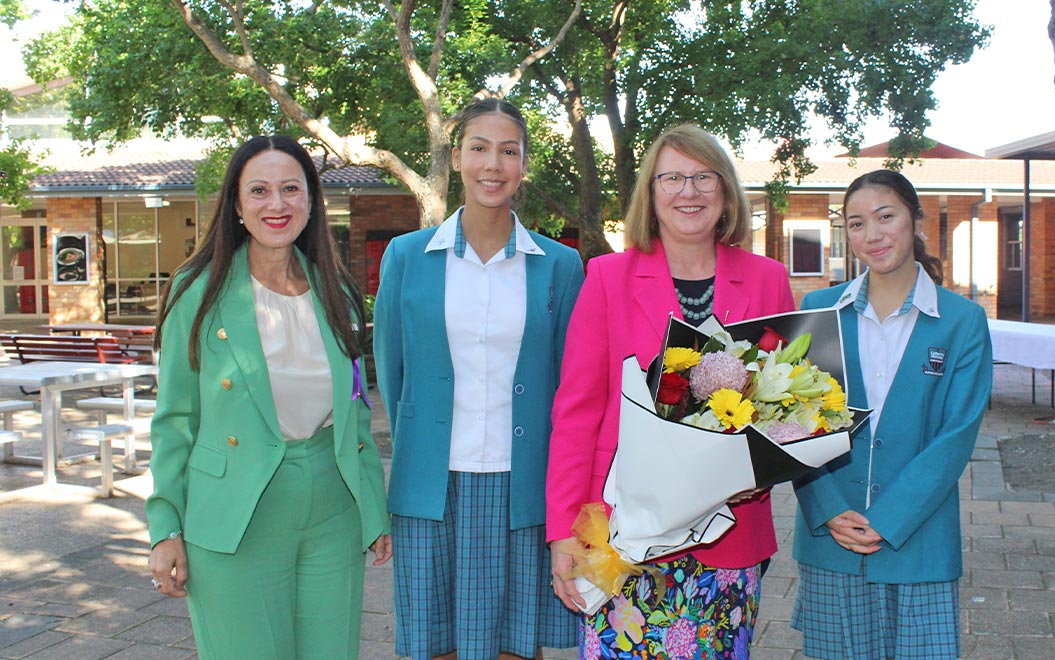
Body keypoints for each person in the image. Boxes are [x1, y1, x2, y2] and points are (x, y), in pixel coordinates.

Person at [546, 124, 794, 657]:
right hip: (624, 534)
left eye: (704, 177)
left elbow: (786, 404)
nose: (689, 191)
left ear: (725, 192)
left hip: (730, 533)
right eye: (674, 178)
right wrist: (564, 531)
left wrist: (764, 470)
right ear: (651, 193)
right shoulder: (607, 277)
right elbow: (576, 412)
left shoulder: (768, 278)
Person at [145, 135, 392, 660]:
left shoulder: (338, 290)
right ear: (236, 204)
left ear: (310, 200)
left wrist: (373, 509)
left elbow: (355, 406)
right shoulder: (198, 290)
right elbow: (175, 420)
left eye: (290, 189)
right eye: (259, 191)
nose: (276, 205)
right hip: (236, 511)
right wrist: (165, 526)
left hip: (332, 508)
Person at [373, 97, 584, 660]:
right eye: (479, 148)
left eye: (508, 151)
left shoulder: (560, 266)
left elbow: (573, 387)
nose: (493, 164)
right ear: (457, 156)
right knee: (434, 643)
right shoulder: (407, 256)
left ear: (523, 165)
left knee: (518, 645)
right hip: (430, 484)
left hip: (524, 485)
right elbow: (391, 374)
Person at [790, 169, 992, 660]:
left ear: (915, 220)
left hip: (919, 540)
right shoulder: (819, 310)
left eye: (886, 216)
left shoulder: (962, 321)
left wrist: (888, 518)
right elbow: (792, 422)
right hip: (830, 538)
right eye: (856, 224)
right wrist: (829, 508)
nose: (873, 235)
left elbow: (956, 435)